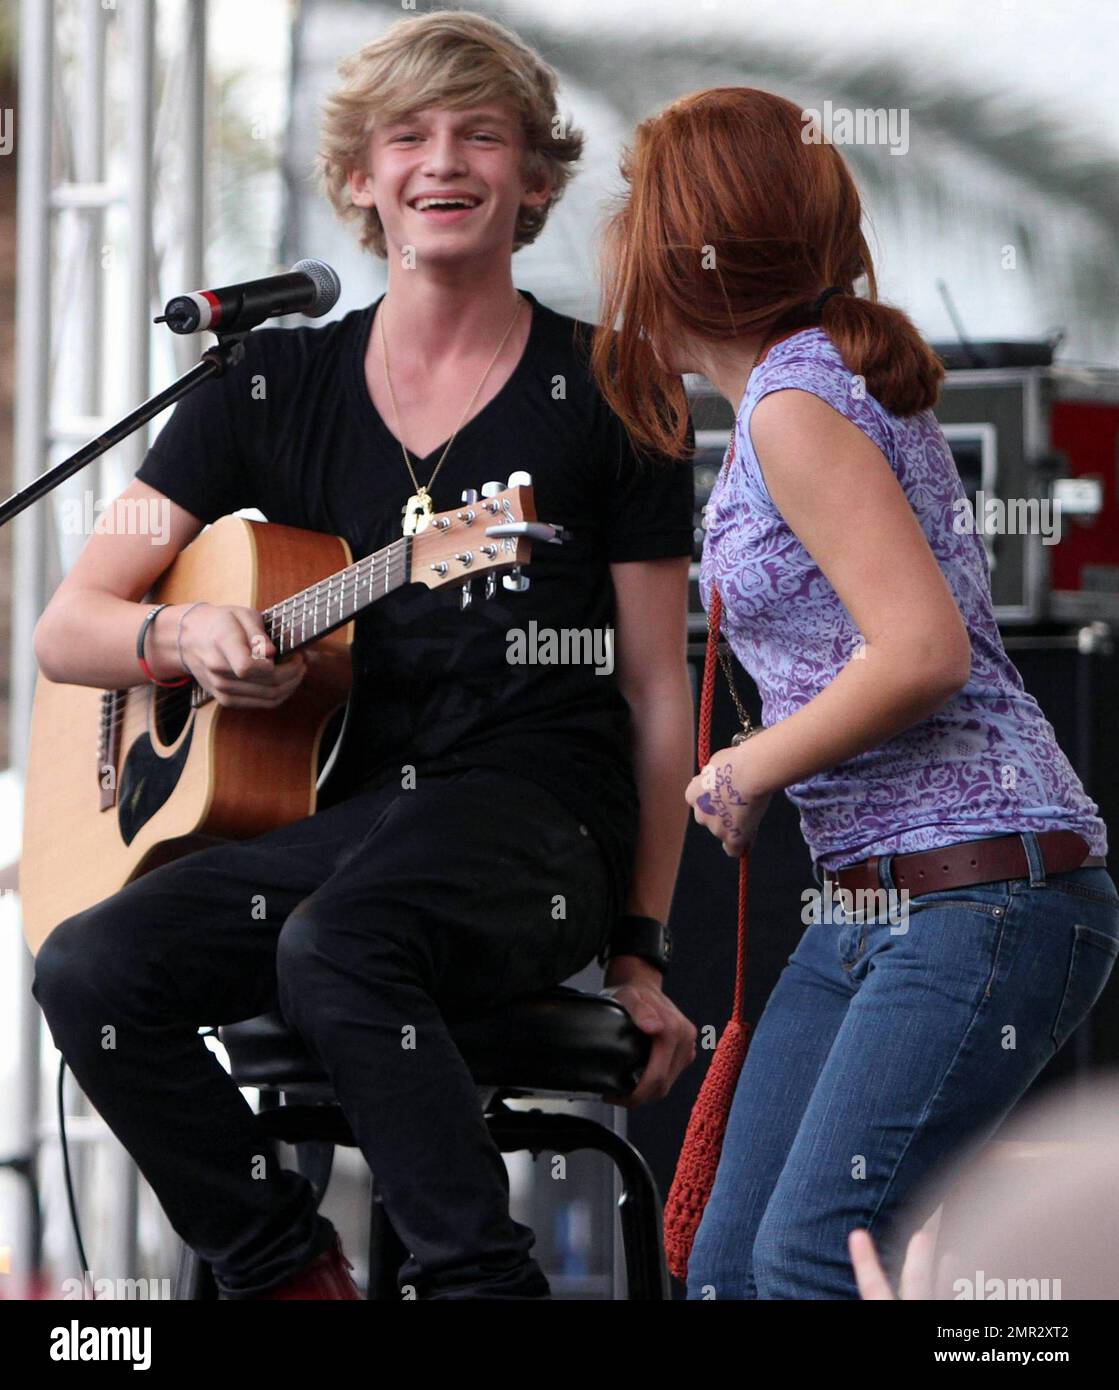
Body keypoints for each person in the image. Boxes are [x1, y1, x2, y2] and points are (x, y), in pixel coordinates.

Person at [30, 11, 697, 1301]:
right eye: (409, 136)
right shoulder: (263, 384)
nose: (443, 161)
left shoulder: (617, 386)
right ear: (358, 179)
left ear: (535, 179)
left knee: (337, 944)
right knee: (89, 963)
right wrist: (180, 633)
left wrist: (637, 952)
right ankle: (286, 1267)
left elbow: (658, 688)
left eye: (481, 134)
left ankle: (477, 1284)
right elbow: (72, 625)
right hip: (344, 822)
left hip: (539, 824)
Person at [590, 84, 1119, 1299]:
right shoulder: (813, 380)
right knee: (726, 1269)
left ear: (684, 247)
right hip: (879, 908)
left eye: (634, 212)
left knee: (806, 1260)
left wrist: (750, 764)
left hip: (981, 893)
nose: (617, 245)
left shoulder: (792, 404)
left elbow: (921, 650)